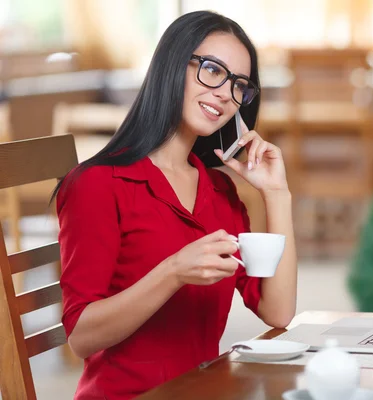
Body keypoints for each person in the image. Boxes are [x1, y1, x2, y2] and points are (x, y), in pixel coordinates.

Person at [54, 10, 297, 399]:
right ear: (172, 64)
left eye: (239, 86)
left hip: (204, 392)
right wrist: (172, 272)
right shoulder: (97, 184)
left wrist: (277, 194)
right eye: (214, 71)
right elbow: (81, 337)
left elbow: (278, 312)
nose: (225, 94)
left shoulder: (219, 191)